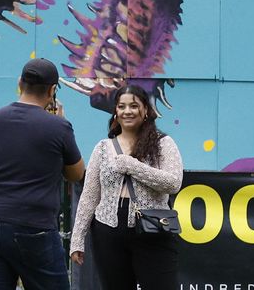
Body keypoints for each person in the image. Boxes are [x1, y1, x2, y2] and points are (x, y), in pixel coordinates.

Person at [0, 58, 84, 290]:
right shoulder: (58, 126)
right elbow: (76, 173)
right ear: (52, 90)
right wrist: (61, 124)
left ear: (20, 83)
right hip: (32, 225)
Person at [69, 84, 183, 290]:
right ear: (115, 111)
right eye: (122, 106)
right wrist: (77, 240)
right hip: (108, 230)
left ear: (146, 110)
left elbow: (173, 183)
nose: (127, 111)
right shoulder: (103, 148)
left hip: (153, 229)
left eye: (134, 106)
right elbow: (89, 196)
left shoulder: (164, 143)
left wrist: (132, 166)